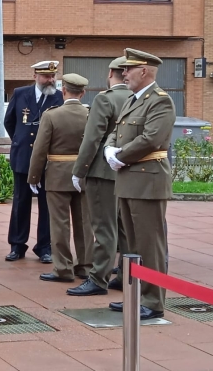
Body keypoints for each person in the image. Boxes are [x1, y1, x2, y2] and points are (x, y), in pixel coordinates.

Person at [105, 48, 176, 320]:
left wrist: (119, 155)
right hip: (128, 179)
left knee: (150, 245)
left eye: (128, 69)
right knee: (131, 246)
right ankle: (135, 296)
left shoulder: (160, 101)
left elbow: (151, 139)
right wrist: (110, 150)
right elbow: (116, 131)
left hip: (147, 180)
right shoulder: (134, 100)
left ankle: (153, 300)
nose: (124, 74)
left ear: (143, 71)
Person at [68, 57, 132, 296]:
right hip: (126, 170)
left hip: (102, 172)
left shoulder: (105, 99)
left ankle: (98, 278)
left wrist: (79, 170)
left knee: (103, 227)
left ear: (110, 73)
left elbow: (92, 138)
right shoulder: (137, 98)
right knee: (124, 227)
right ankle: (125, 274)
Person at [28, 73, 93, 282]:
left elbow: (40, 149)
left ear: (63, 91)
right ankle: (85, 265)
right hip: (84, 174)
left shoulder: (51, 115)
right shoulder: (90, 114)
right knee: (84, 223)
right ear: (83, 93)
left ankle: (63, 268)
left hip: (57, 175)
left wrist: (34, 176)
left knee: (59, 224)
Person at [3, 60, 64, 263]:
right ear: (35, 76)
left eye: (53, 76)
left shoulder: (58, 97)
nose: (51, 80)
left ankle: (45, 247)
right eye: (46, 76)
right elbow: (9, 121)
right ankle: (17, 245)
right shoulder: (21, 94)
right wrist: (20, 141)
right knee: (21, 202)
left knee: (47, 205)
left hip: (48, 159)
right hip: (23, 157)